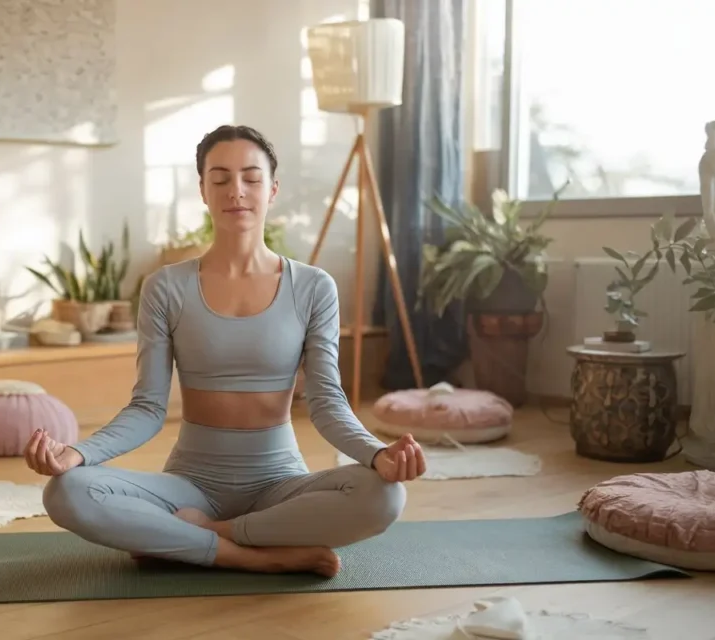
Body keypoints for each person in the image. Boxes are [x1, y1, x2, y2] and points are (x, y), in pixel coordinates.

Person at [23, 124, 427, 577]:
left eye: (251, 178)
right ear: (203, 190)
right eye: (220, 179)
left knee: (386, 494)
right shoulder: (165, 287)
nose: (236, 191)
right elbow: (147, 408)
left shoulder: (314, 287)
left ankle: (209, 534)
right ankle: (256, 556)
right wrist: (78, 454)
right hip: (189, 484)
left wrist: (378, 455)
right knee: (65, 491)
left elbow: (327, 403)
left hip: (280, 483)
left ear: (272, 190)